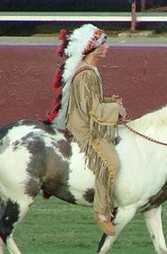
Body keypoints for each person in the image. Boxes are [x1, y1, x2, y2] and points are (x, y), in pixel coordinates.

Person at [46, 24, 126, 236]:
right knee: (111, 163)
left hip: (87, 120)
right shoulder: (85, 75)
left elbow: (93, 101)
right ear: (93, 49)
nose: (107, 48)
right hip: (84, 128)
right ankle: (101, 211)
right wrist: (115, 109)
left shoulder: (90, 69)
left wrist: (110, 101)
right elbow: (92, 110)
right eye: (103, 45)